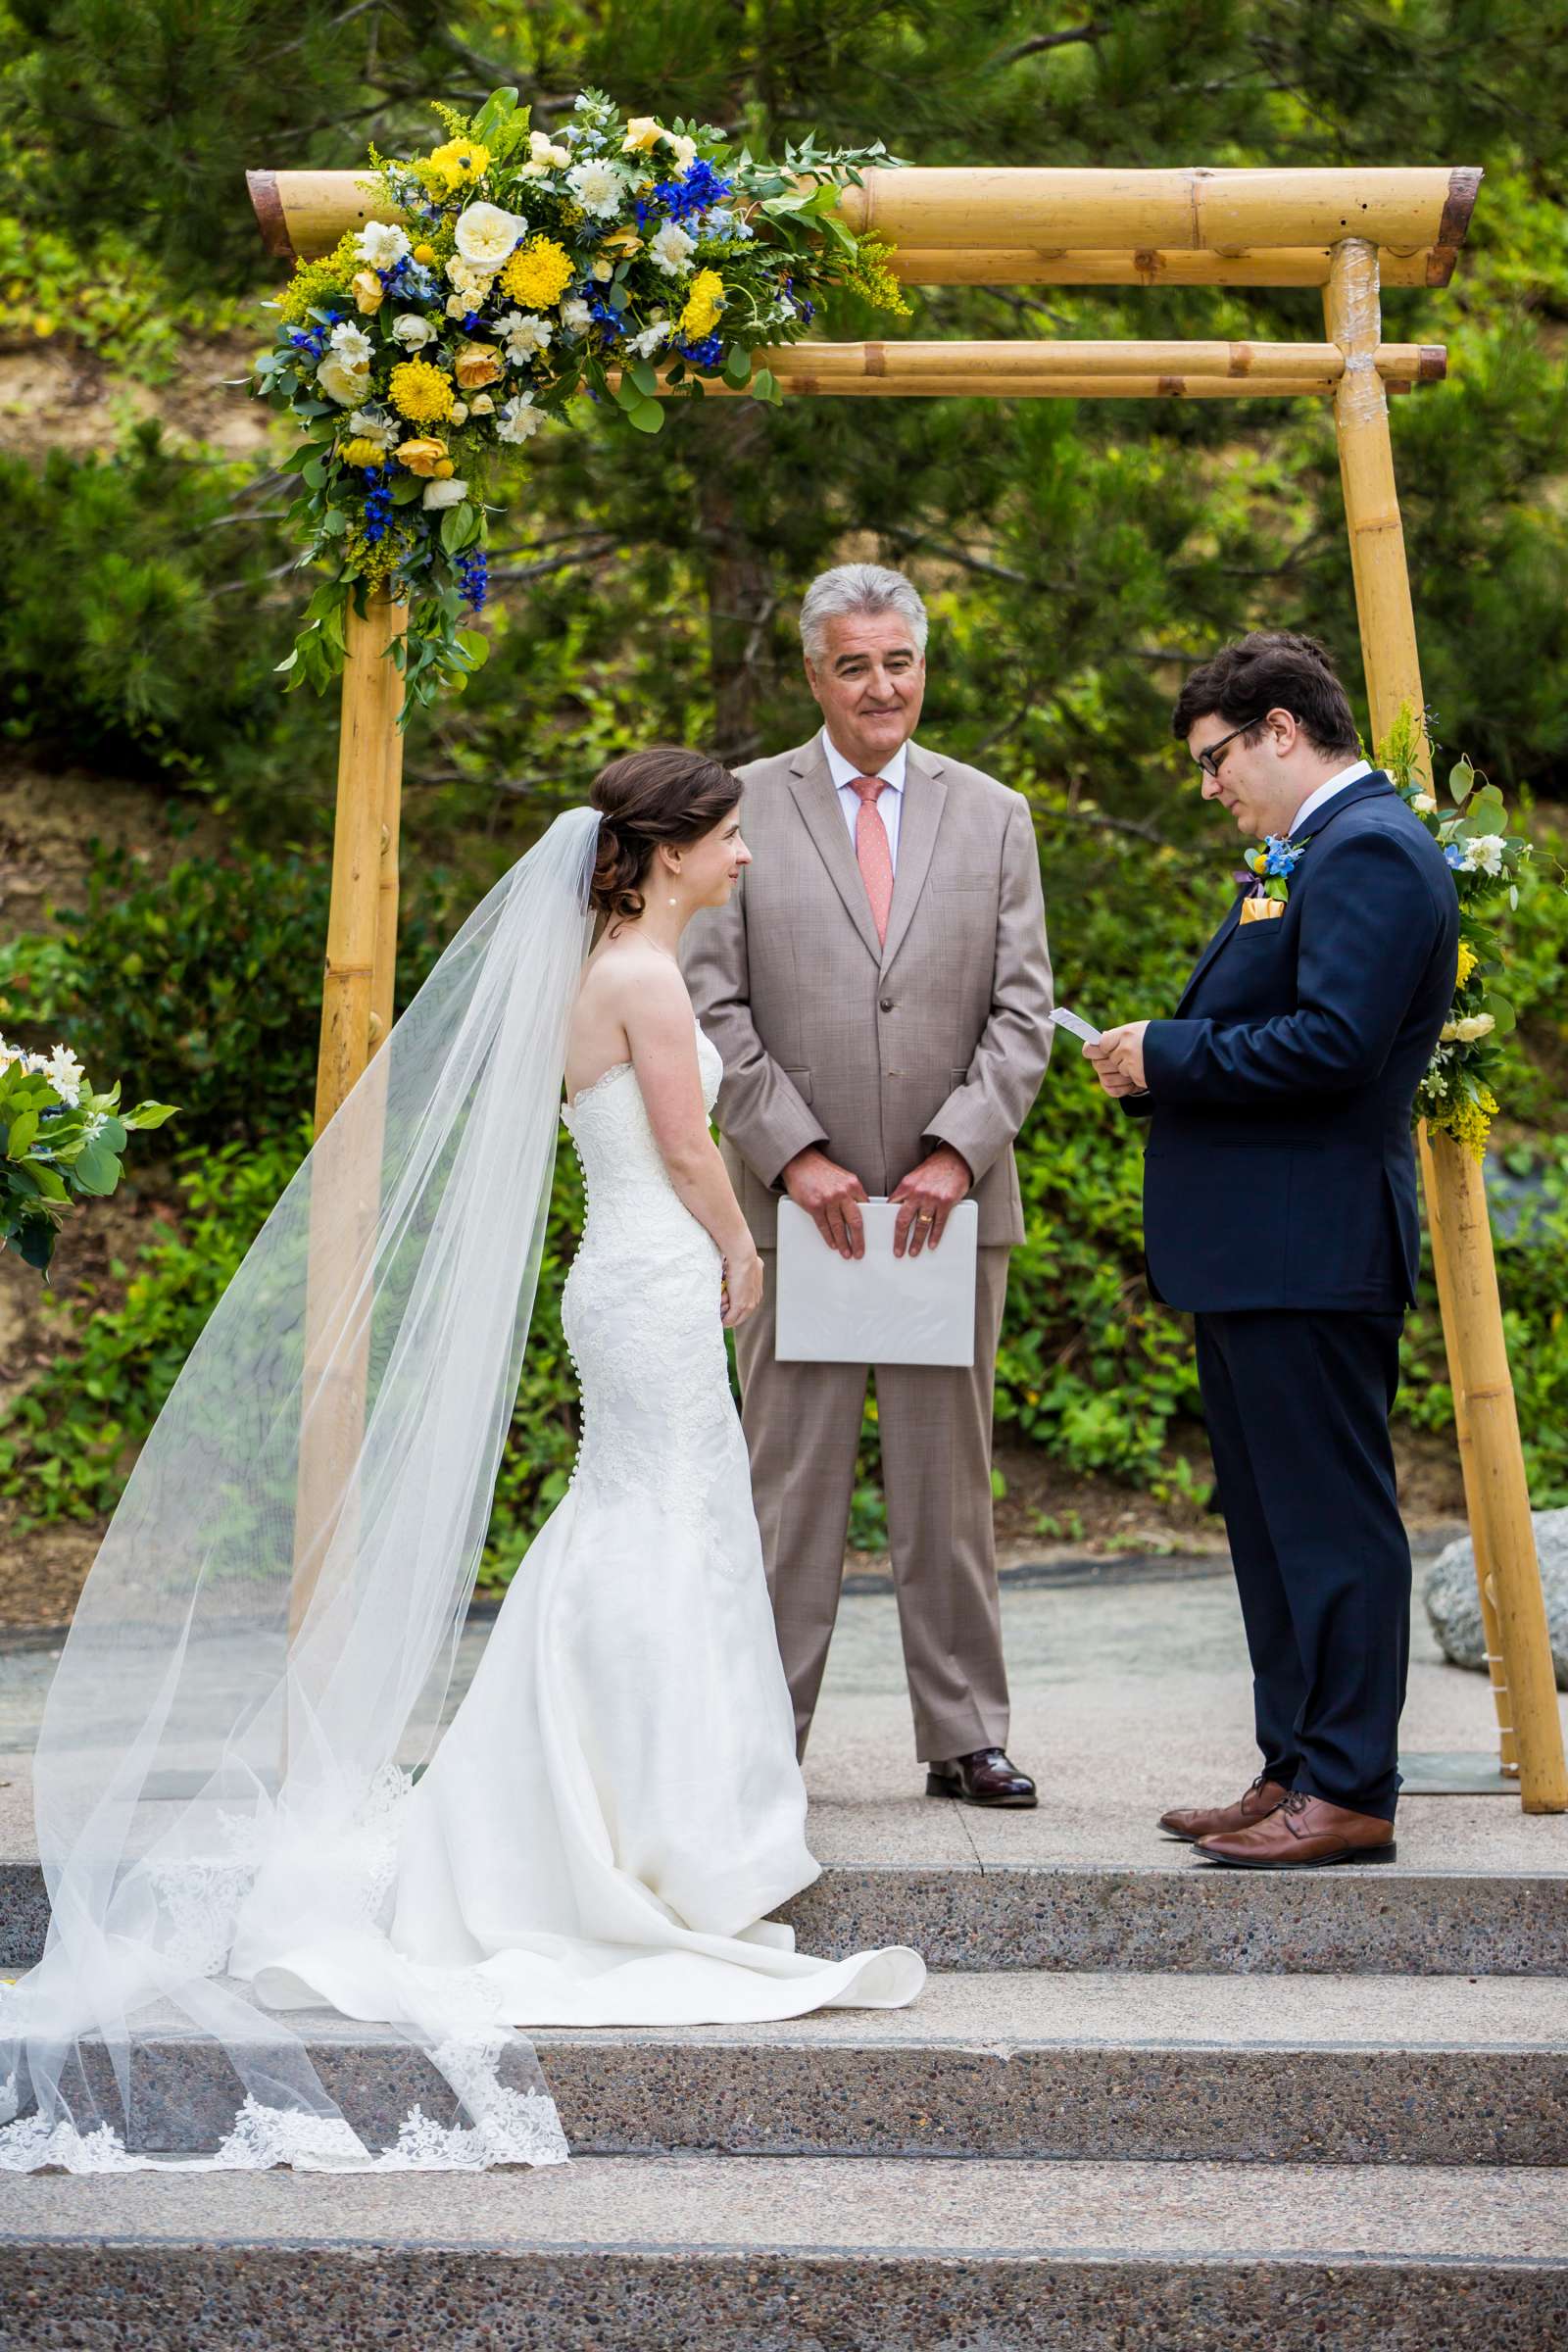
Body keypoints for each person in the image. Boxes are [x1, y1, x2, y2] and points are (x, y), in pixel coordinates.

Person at [0, 748, 921, 2180]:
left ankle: (609, 1805)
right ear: (671, 848)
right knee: (659, 1531)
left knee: (633, 1522)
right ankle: (647, 1834)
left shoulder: (582, 967)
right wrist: (743, 1247)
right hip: (660, 1267)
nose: (745, 858)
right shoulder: (649, 982)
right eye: (730, 838)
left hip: (611, 1278)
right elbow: (690, 1151)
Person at [1086, 632, 1458, 1870]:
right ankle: (1294, 1763)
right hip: (1258, 1250)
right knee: (1268, 1524)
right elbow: (1277, 1030)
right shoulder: (1315, 853)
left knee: (1331, 1524)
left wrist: (1168, 1053)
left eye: (1213, 759)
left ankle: (1349, 1787)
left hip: (1310, 1245)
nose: (1208, 787)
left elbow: (1334, 1046)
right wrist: (1156, 1066)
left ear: (1281, 730)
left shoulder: (1372, 853)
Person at [682, 564, 1054, 1804]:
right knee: (788, 1486)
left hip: (953, 1208)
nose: (881, 685)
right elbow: (707, 1000)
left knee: (948, 1486)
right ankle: (755, 1733)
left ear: (922, 666)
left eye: (898, 661)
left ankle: (965, 1735)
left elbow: (1023, 1010)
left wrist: (958, 1151)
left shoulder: (994, 812)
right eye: (854, 664)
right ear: (813, 675)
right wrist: (792, 1154)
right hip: (801, 1215)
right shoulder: (739, 807)